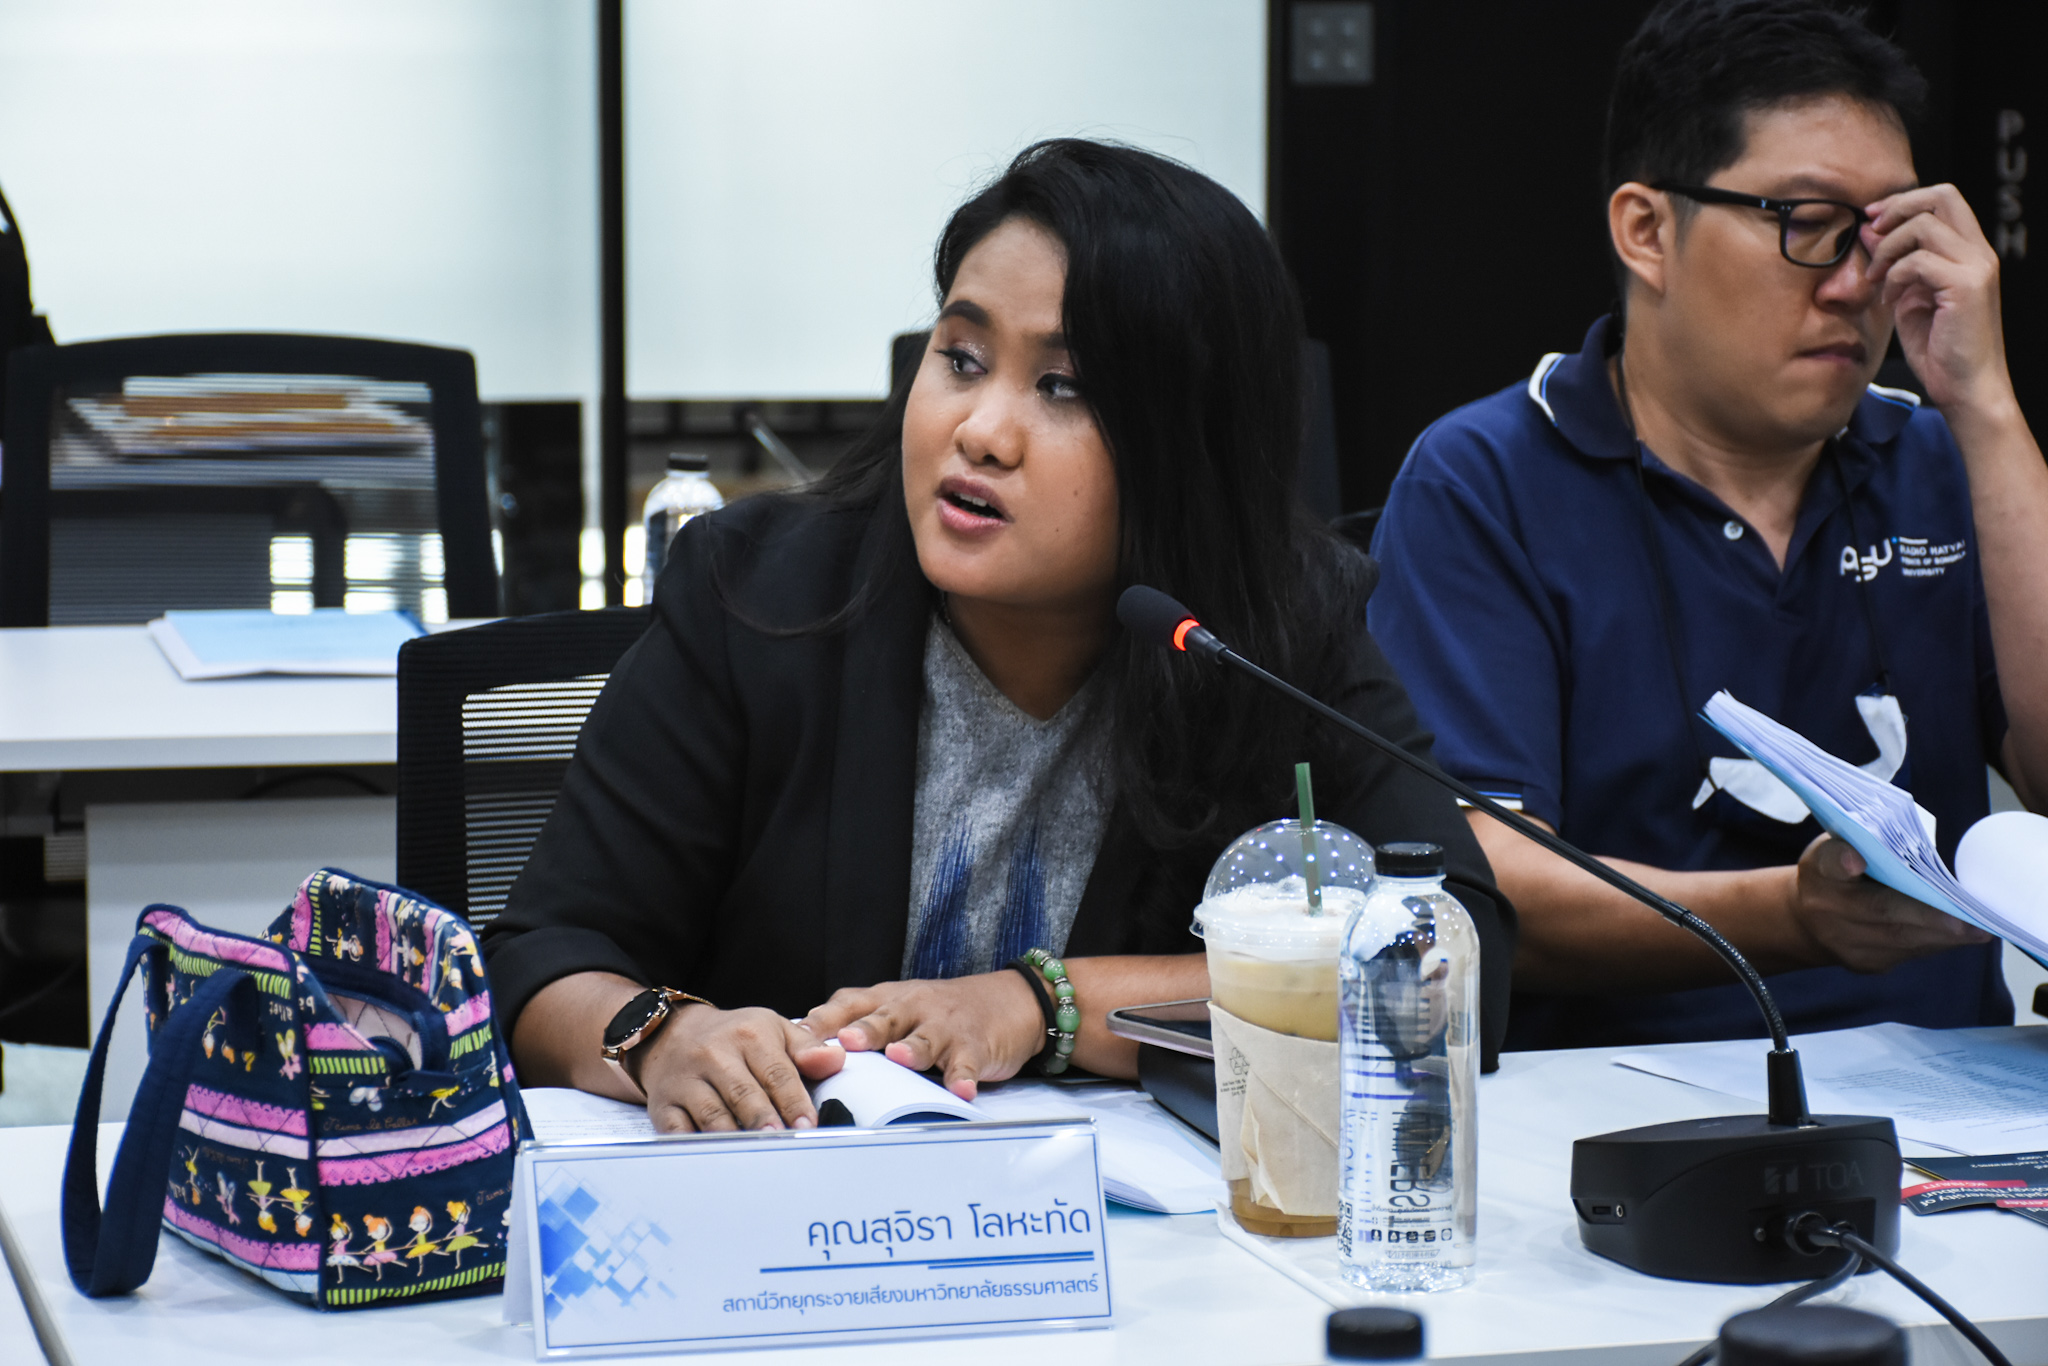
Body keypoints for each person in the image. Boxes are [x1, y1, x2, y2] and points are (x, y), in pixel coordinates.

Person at [482, 139, 1514, 1132]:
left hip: (1135, 1235)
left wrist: (1043, 1003)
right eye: (961, 359)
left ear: (1188, 446)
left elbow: (1446, 964)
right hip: (796, 1208)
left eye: (1062, 387)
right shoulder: (756, 594)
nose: (978, 431)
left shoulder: (1269, 630)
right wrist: (660, 1037)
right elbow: (542, 959)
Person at [1367, 0, 2047, 1049]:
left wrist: (1988, 408)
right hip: (1614, 1100)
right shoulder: (1488, 478)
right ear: (1646, 231)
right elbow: (1478, 876)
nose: (1858, 285)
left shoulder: (1938, 462)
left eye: (1885, 235)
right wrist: (1793, 917)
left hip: (1953, 1096)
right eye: (1808, 224)